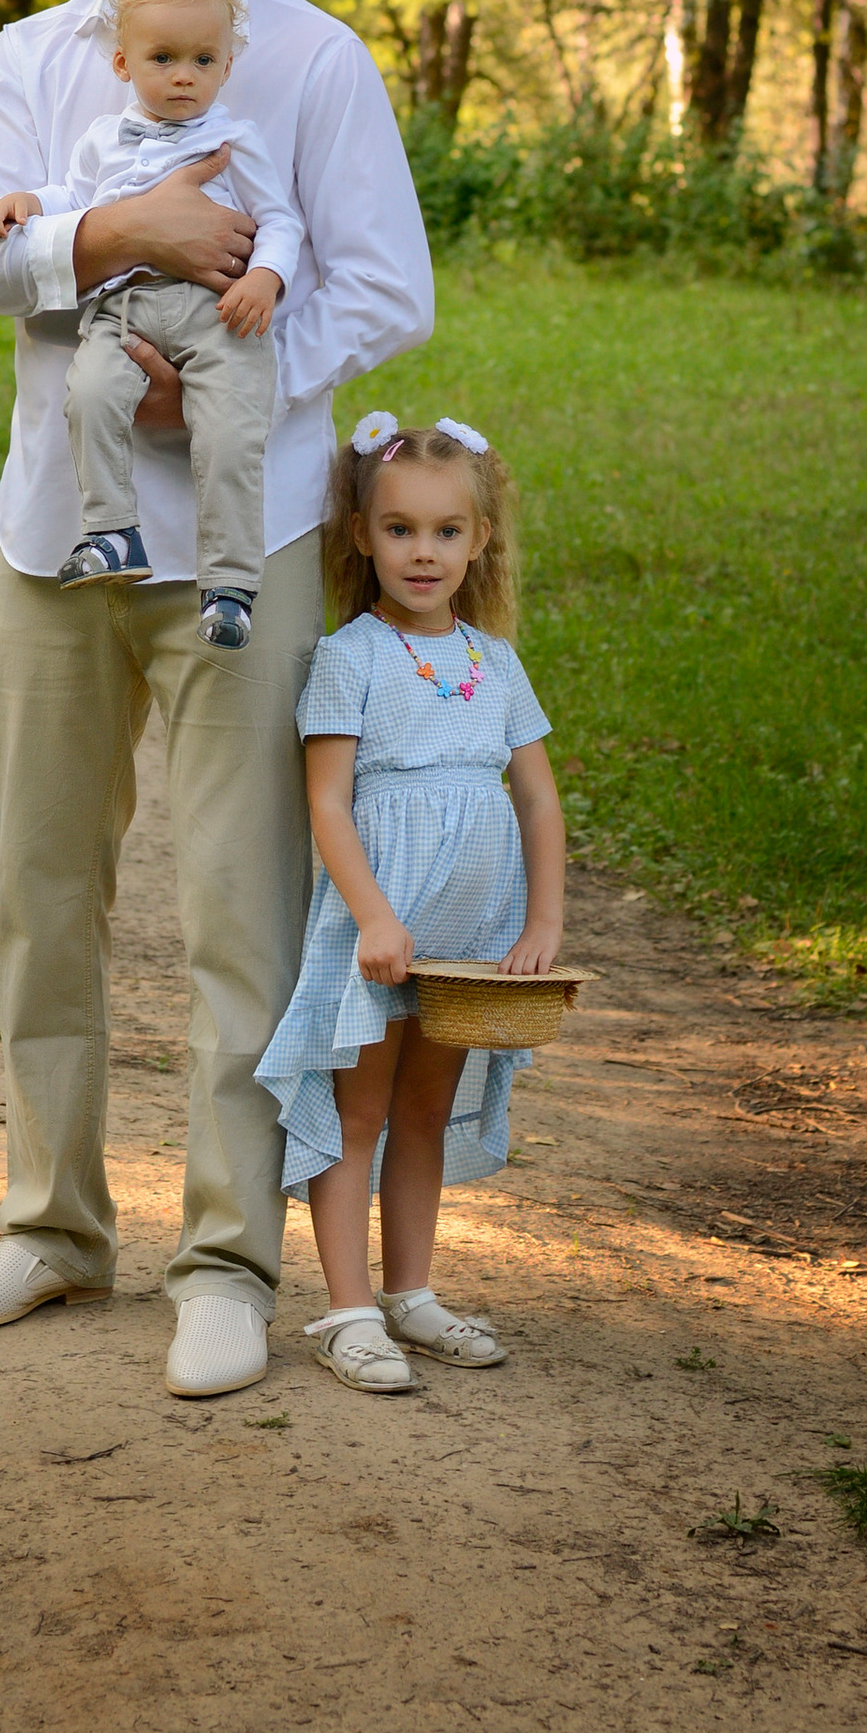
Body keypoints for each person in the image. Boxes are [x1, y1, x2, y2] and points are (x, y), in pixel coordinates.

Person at [0, 0, 434, 1398]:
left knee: (243, 912)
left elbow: (382, 288)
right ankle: (52, 1226)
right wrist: (118, 242)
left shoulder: (315, 58)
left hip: (249, 530)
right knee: (42, 894)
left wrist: (214, 373)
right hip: (50, 530)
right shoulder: (32, 55)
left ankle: (225, 1259)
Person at [257, 411, 568, 1393]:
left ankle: (410, 1294)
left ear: (481, 541)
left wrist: (544, 924)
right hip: (379, 935)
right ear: (361, 535)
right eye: (399, 529)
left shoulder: (495, 663)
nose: (422, 552)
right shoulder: (352, 657)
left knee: (426, 1113)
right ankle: (347, 1311)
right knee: (357, 1116)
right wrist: (374, 919)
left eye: (445, 531)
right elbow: (326, 801)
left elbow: (538, 797)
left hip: (469, 940)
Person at [0, 0, 307, 651]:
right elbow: (79, 202)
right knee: (90, 397)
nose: (184, 75)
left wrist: (265, 279)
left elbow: (280, 221)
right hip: (123, 309)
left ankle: (230, 586)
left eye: (203, 59)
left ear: (224, 67)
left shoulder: (234, 140)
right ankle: (113, 534)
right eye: (164, 58)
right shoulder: (103, 140)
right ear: (124, 64)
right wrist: (27, 203)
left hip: (217, 313)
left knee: (227, 435)